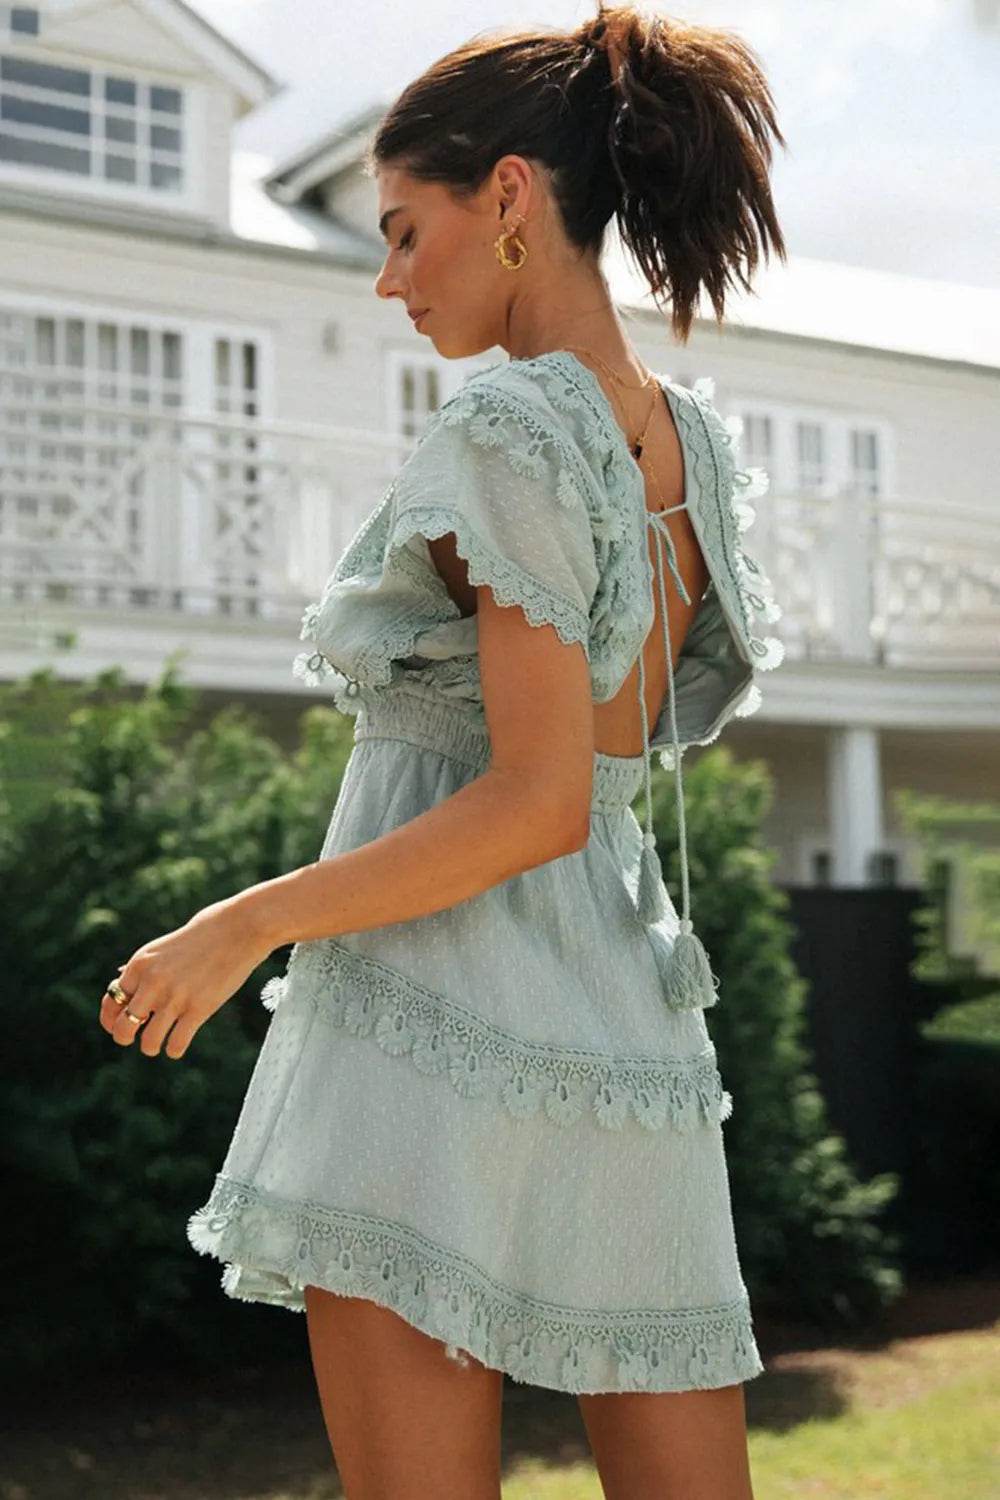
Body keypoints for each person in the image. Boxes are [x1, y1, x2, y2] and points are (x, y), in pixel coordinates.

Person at [102, 4, 788, 1496]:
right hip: (625, 1030)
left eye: (408, 233)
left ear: (513, 196)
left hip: (428, 1023)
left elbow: (536, 801)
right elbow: (596, 778)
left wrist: (243, 925)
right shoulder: (685, 443)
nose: (390, 278)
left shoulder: (508, 427)